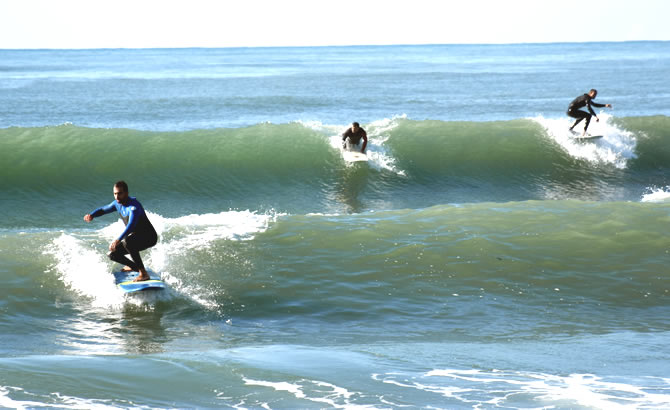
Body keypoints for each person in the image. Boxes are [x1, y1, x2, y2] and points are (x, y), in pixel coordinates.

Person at [83, 181, 158, 282]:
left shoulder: (134, 207)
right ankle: (134, 267)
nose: (117, 197)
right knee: (113, 254)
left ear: (126, 193)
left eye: (119, 193)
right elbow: (103, 210)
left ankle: (143, 274)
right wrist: (92, 215)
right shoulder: (117, 204)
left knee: (128, 242)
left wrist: (118, 240)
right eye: (115, 194)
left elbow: (131, 226)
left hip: (149, 237)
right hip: (136, 236)